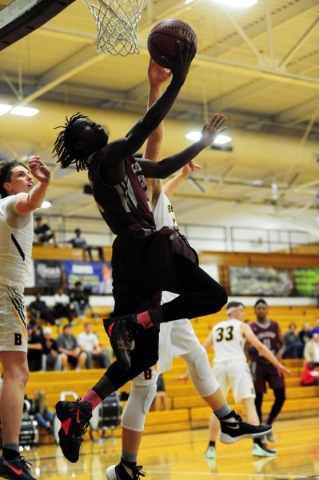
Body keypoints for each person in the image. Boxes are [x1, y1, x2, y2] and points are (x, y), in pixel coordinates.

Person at [53, 47, 270, 468]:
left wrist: (202, 143)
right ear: (82, 144)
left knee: (145, 358)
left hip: (132, 257)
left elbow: (165, 161)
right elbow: (147, 126)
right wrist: (179, 79)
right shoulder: (106, 159)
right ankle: (135, 323)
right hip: (142, 247)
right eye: (85, 126)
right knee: (214, 296)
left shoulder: (126, 162)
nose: (94, 124)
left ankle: (81, 408)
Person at [0, 155, 50, 480]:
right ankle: (11, 456)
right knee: (17, 372)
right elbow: (30, 201)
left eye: (28, 174)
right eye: (21, 174)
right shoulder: (14, 201)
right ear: (7, 185)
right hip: (7, 294)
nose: (27, 177)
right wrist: (43, 181)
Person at [201, 301, 290, 462]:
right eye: (241, 311)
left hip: (219, 367)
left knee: (216, 408)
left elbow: (202, 350)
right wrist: (277, 364)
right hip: (237, 365)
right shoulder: (242, 326)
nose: (243, 314)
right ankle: (257, 445)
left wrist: (188, 372)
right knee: (249, 404)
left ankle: (211, 448)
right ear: (234, 312)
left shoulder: (216, 328)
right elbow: (260, 347)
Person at [247, 299, 286, 444]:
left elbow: (283, 344)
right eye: (259, 308)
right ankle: (260, 432)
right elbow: (246, 346)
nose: (261, 310)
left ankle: (268, 424)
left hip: (273, 364)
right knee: (258, 400)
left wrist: (280, 353)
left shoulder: (275, 325)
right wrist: (247, 362)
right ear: (255, 310)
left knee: (281, 395)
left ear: (267, 310)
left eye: (264, 307)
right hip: (258, 364)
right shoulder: (251, 326)